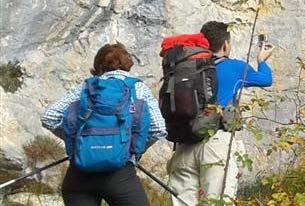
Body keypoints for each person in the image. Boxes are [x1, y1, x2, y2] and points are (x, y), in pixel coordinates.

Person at [41, 43, 167, 206]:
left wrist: (79, 142)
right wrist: (131, 150)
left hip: (79, 176)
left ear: (98, 66)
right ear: (127, 64)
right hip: (120, 176)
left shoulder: (84, 87)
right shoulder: (138, 88)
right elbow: (158, 129)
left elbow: (48, 117)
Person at [166, 21, 275, 206]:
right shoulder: (234, 67)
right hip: (216, 143)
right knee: (218, 202)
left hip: (184, 143)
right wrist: (262, 60)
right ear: (225, 45)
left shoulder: (183, 66)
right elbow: (266, 80)